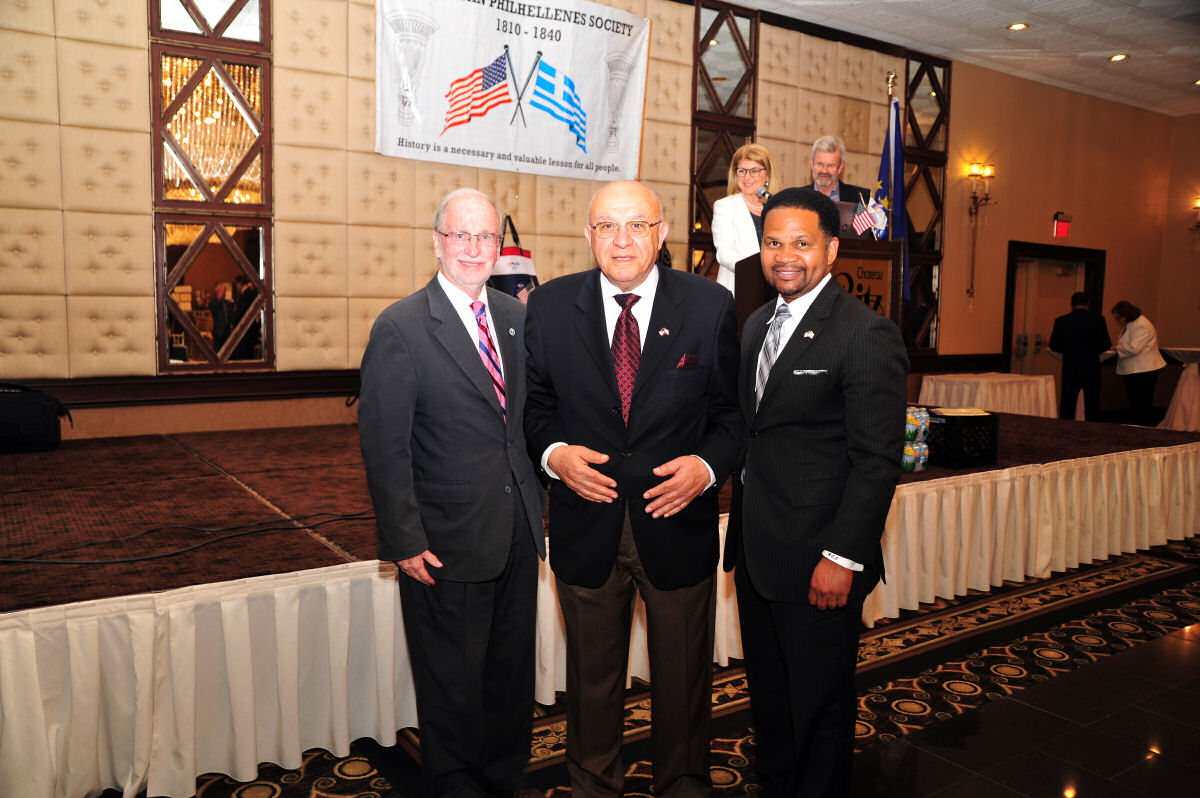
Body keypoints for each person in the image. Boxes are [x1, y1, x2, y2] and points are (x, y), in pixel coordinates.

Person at [524, 180, 743, 798]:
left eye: (637, 225)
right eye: (607, 227)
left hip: (678, 526)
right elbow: (535, 409)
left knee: (683, 679)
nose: (622, 239)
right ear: (588, 235)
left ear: (662, 230)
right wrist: (553, 454)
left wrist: (705, 468)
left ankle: (683, 785)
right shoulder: (548, 307)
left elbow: (732, 417)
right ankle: (594, 785)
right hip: (583, 526)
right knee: (592, 682)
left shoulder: (709, 307)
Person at [357, 188, 546, 798]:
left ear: (500, 246)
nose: (473, 248)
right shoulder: (402, 326)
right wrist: (404, 539)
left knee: (509, 678)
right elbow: (385, 447)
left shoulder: (518, 320)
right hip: (443, 544)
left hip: (517, 532)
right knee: (452, 688)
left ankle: (504, 781)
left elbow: (524, 423)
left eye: (485, 237)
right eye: (460, 236)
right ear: (437, 242)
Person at [725, 187, 908, 796]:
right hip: (757, 556)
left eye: (801, 243)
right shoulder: (755, 324)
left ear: (830, 250)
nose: (785, 255)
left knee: (820, 708)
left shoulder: (865, 333)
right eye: (774, 242)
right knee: (771, 702)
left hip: (819, 562)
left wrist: (842, 557)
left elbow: (876, 461)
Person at [712, 142, 777, 295]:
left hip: (776, 290)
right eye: (742, 171)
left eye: (754, 171)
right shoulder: (725, 206)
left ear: (767, 174)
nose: (747, 177)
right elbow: (725, 253)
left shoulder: (778, 208)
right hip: (739, 290)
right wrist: (761, 271)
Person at [1048, 291, 1111, 421]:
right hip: (1091, 366)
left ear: (1071, 304)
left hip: (1070, 366)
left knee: (1067, 404)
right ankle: (1093, 431)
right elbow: (1106, 345)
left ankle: (1065, 430)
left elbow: (1053, 345)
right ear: (1088, 304)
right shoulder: (1098, 320)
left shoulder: (1061, 321)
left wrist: (1068, 350)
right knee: (1092, 404)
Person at [1108, 300, 1166, 426]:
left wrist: (1117, 347)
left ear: (1125, 315)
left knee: (1142, 401)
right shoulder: (1133, 324)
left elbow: (1135, 348)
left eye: (1118, 318)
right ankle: (1137, 423)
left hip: (1144, 369)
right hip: (1137, 369)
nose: (1117, 321)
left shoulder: (1142, 325)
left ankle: (1142, 425)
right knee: (1135, 400)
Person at [809, 135, 871, 207]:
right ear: (812, 164)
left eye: (831, 165)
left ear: (840, 167)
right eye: (820, 164)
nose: (824, 171)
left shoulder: (861, 198)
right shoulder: (796, 198)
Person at [209, 282, 234, 353]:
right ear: (218, 291)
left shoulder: (226, 303)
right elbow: (214, 310)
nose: (225, 292)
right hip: (218, 331)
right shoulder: (213, 302)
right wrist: (219, 297)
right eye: (223, 290)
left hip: (227, 331)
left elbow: (230, 314)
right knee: (218, 351)